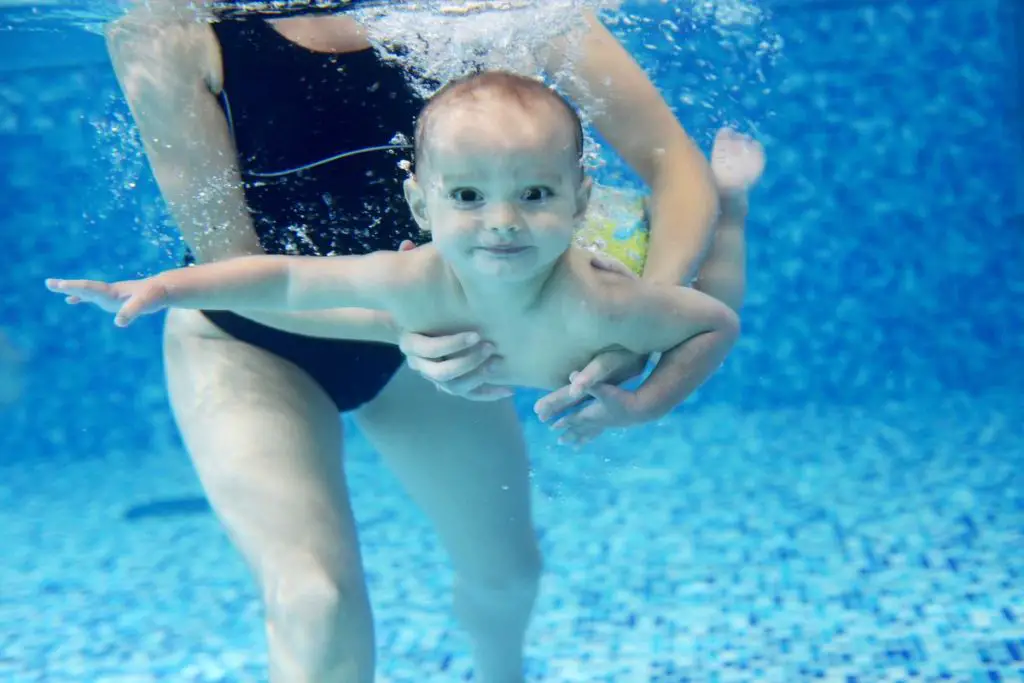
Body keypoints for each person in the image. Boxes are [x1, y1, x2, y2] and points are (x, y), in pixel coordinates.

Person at [97, 3, 730, 681]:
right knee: (313, 598)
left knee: (508, 576)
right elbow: (236, 272)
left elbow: (674, 165)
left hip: (442, 329)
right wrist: (401, 324)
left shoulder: (501, 7)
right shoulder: (166, 29)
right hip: (251, 341)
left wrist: (636, 318)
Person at [48, 71, 761, 436]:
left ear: (575, 199)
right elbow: (289, 279)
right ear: (422, 207)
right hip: (561, 243)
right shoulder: (412, 273)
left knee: (714, 289)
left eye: (536, 194)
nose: (501, 224)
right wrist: (168, 286)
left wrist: (644, 403)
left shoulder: (609, 299)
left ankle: (733, 202)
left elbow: (715, 325)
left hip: (615, 247)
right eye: (469, 198)